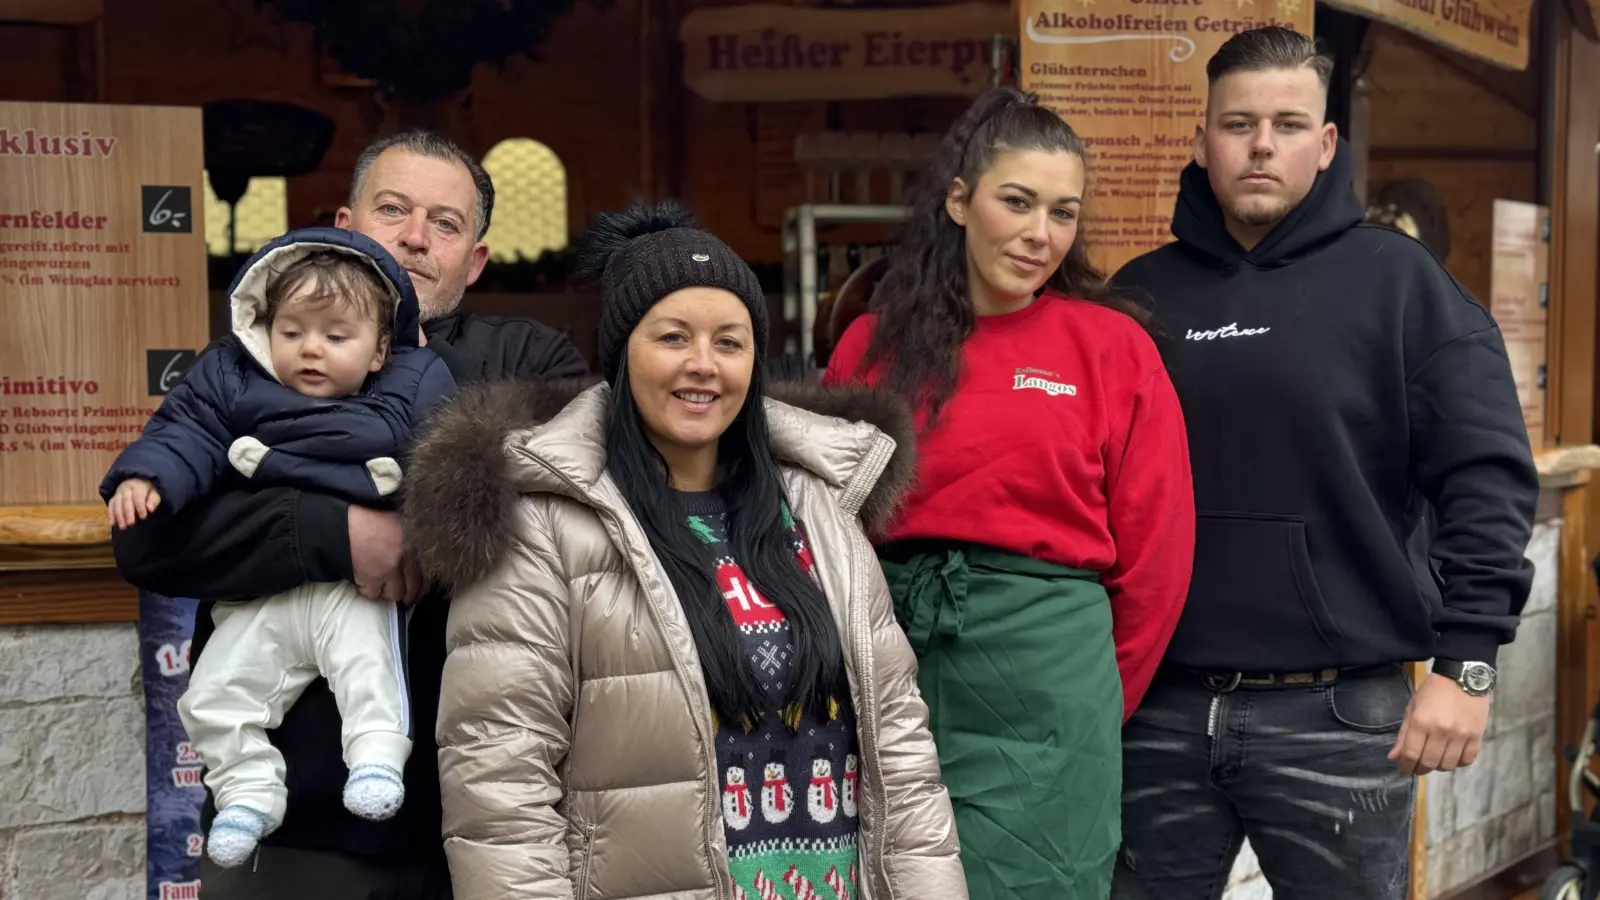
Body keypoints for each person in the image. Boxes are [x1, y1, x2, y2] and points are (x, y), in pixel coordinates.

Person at [400, 201, 967, 900]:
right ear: (620, 353)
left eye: (730, 343)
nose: (703, 366)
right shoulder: (546, 523)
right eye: (672, 337)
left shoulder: (818, 506)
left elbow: (902, 753)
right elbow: (500, 786)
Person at [1110, 27, 1538, 899]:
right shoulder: (1139, 298)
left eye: (1288, 123)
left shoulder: (1401, 286)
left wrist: (1468, 664)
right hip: (1156, 711)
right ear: (1201, 141)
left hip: (1341, 718)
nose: (1262, 144)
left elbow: (1488, 477)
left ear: (1327, 143)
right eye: (1237, 124)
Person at [110, 130, 588, 899]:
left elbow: (560, 526)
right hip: (296, 819)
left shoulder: (530, 362)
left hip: (493, 814)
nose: (413, 237)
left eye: (445, 223)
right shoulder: (255, 360)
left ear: (475, 260)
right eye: (392, 209)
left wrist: (424, 522)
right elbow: (153, 539)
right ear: (343, 224)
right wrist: (338, 534)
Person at [824, 85, 1196, 899]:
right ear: (960, 200)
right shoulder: (870, 345)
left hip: (1051, 685)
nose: (1040, 235)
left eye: (1062, 213)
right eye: (1018, 202)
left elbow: (1158, 561)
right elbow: (823, 528)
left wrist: (1094, 700)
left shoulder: (1112, 349)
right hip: (891, 669)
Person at [105, 228, 453, 867]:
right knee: (211, 692)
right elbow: (186, 430)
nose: (311, 350)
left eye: (335, 337)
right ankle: (246, 792)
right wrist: (146, 475)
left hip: (351, 594)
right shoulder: (233, 379)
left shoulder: (418, 383)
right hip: (260, 596)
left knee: (367, 662)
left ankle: (377, 759)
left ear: (379, 350)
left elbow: (453, 468)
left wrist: (422, 532)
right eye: (292, 333)